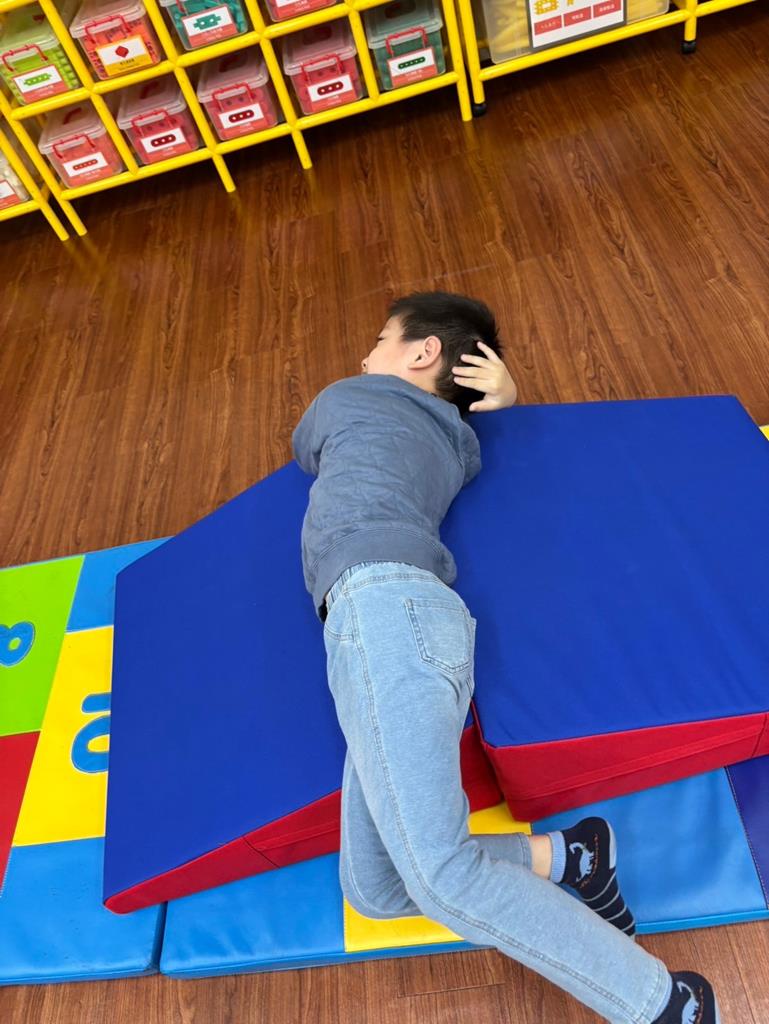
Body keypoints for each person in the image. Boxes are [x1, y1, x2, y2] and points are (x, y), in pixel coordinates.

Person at [291, 291, 721, 1024]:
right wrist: (499, 404)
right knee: (376, 888)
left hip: (382, 615)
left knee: (442, 877)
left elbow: (306, 447)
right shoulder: (459, 443)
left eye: (380, 339)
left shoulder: (349, 398)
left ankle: (666, 1004)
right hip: (393, 629)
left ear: (423, 351)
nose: (365, 355)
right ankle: (574, 857)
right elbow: (469, 432)